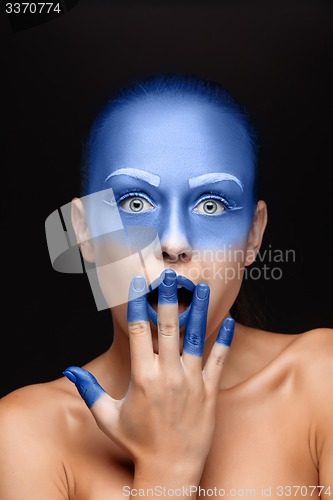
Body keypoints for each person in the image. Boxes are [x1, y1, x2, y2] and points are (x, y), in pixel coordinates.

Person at [0, 73, 332, 499]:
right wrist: (167, 468)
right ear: (84, 232)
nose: (174, 242)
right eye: (134, 203)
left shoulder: (323, 381)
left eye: (211, 204)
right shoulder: (24, 435)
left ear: (253, 235)